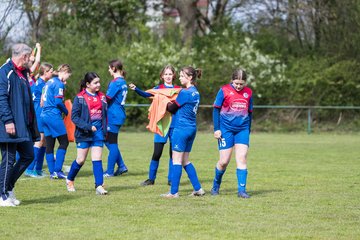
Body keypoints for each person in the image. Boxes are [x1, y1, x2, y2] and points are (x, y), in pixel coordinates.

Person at [0, 43, 40, 207]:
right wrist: (8, 120)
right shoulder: (5, 72)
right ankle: (1, 196)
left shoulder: (23, 72)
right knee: (8, 160)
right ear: (24, 56)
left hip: (23, 125)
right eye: (30, 56)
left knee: (28, 155)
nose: (31, 59)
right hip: (9, 125)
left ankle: (8, 188)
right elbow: (1, 98)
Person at [129, 65, 180, 186]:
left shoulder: (179, 90)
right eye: (166, 74)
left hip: (175, 124)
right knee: (157, 153)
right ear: (162, 76)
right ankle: (151, 179)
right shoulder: (158, 89)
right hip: (161, 123)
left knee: (173, 153)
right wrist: (136, 89)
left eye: (170, 74)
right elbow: (146, 95)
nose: (168, 76)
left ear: (174, 75)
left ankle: (171, 179)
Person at [161, 66, 205, 198]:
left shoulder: (184, 93)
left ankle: (173, 192)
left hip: (181, 128)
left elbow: (172, 108)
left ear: (190, 77)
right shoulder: (195, 92)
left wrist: (162, 100)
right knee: (185, 160)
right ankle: (198, 189)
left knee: (176, 160)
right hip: (191, 128)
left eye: (181, 75)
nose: (179, 78)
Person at [210, 69, 253, 198]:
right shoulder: (223, 90)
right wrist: (216, 129)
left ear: (245, 82)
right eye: (236, 83)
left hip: (242, 130)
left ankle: (241, 191)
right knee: (223, 162)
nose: (239, 86)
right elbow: (216, 110)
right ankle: (216, 186)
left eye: (241, 83)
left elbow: (250, 113)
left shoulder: (249, 93)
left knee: (242, 158)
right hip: (226, 129)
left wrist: (248, 130)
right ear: (232, 80)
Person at [66, 72, 108, 195]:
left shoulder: (102, 97)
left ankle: (99, 185)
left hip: (98, 132)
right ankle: (70, 180)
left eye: (99, 82)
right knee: (80, 160)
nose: (98, 85)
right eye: (95, 83)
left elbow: (105, 115)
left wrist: (105, 129)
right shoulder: (79, 98)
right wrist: (88, 127)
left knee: (97, 159)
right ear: (88, 84)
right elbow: (74, 117)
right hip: (84, 133)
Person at [41, 64, 72, 179]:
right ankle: (58, 170)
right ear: (65, 72)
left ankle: (52, 172)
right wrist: (66, 111)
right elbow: (58, 102)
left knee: (50, 144)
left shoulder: (49, 82)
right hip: (53, 115)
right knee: (64, 142)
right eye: (68, 76)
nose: (67, 78)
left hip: (44, 115)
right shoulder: (59, 83)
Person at [24, 62, 53, 177]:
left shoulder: (41, 83)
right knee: (39, 141)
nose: (52, 73)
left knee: (44, 141)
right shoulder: (41, 85)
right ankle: (30, 169)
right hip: (39, 115)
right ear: (45, 72)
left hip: (42, 115)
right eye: (51, 71)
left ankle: (39, 168)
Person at [103, 59, 128, 177]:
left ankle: (109, 171)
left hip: (114, 115)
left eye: (109, 68)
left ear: (113, 68)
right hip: (118, 114)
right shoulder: (123, 81)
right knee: (108, 140)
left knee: (111, 142)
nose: (108, 70)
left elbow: (107, 98)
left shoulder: (116, 82)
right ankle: (121, 166)